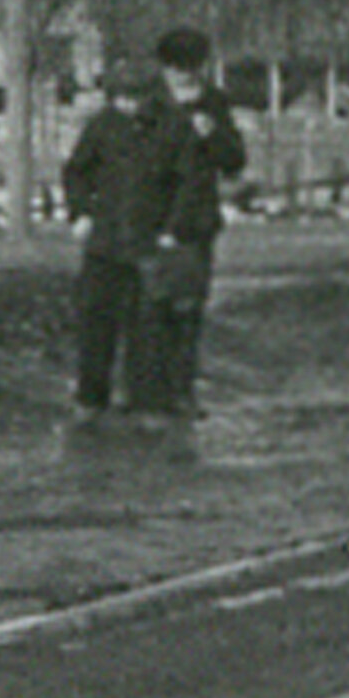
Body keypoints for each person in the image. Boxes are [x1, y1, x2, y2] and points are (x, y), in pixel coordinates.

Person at [126, 25, 248, 414]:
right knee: (147, 308)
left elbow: (234, 161)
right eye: (178, 68)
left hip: (195, 221)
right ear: (165, 68)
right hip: (151, 218)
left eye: (192, 68)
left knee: (188, 308)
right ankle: (146, 391)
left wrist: (212, 134)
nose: (185, 76)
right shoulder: (147, 104)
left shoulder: (214, 103)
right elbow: (133, 159)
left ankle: (182, 390)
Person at [61, 54, 176, 417]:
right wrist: (80, 212)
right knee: (96, 323)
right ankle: (90, 397)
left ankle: (145, 400)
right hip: (105, 241)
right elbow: (76, 172)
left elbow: (182, 182)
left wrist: (172, 227)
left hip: (148, 241)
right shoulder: (101, 127)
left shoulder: (167, 129)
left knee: (147, 327)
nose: (127, 105)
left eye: (135, 97)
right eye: (121, 97)